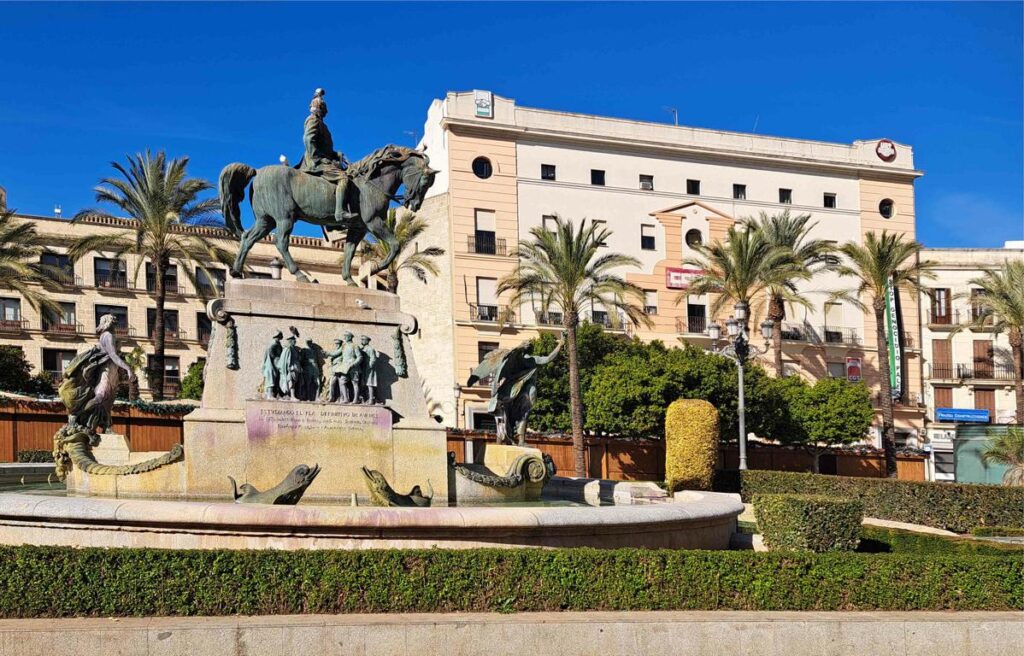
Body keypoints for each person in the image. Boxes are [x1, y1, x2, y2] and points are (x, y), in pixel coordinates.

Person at [58, 314, 137, 432]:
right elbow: (113, 355)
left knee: (107, 402)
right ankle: (76, 415)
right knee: (100, 397)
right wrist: (128, 368)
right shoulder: (108, 335)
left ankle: (106, 426)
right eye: (114, 323)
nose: (116, 325)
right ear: (109, 323)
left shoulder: (107, 335)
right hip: (106, 371)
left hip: (111, 371)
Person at [299, 88, 357, 223]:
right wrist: (317, 159)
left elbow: (324, 147)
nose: (326, 111)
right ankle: (340, 212)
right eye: (324, 108)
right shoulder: (313, 120)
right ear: (320, 108)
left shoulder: (321, 124)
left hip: (324, 158)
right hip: (316, 161)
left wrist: (335, 154)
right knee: (343, 178)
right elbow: (308, 139)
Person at [276, 335, 301, 401]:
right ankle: (292, 396)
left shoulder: (293, 348)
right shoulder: (288, 348)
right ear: (290, 341)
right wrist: (287, 368)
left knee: (293, 382)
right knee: (291, 381)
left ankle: (289, 395)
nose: (295, 341)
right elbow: (285, 360)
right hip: (291, 368)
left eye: (295, 340)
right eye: (294, 340)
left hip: (295, 368)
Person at [261, 331, 283, 399]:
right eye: (279, 336)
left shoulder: (277, 344)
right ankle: (269, 395)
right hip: (270, 364)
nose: (280, 338)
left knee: (274, 378)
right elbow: (272, 354)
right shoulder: (273, 344)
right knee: (271, 378)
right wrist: (277, 359)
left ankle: (274, 394)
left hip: (274, 364)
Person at [359, 335, 379, 405]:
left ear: (367, 341)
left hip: (369, 369)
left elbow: (373, 359)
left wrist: (369, 367)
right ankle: (366, 398)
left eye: (363, 340)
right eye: (361, 340)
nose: (362, 341)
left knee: (370, 384)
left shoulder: (370, 349)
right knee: (363, 384)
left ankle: (371, 399)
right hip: (363, 368)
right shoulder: (362, 348)